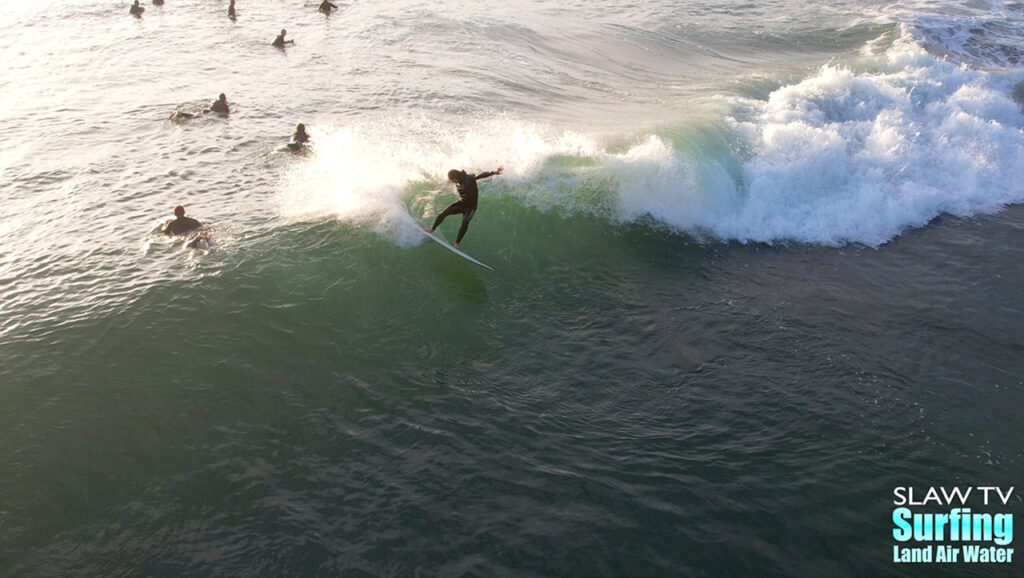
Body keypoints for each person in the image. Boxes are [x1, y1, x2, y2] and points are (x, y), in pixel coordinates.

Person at [425, 166, 503, 249]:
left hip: (471, 207)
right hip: (462, 203)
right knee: (444, 213)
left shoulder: (469, 179)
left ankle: (456, 244)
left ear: (455, 178)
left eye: (452, 180)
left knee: (464, 224)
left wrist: (494, 172)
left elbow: (481, 175)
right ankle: (432, 229)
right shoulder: (459, 181)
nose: (452, 182)